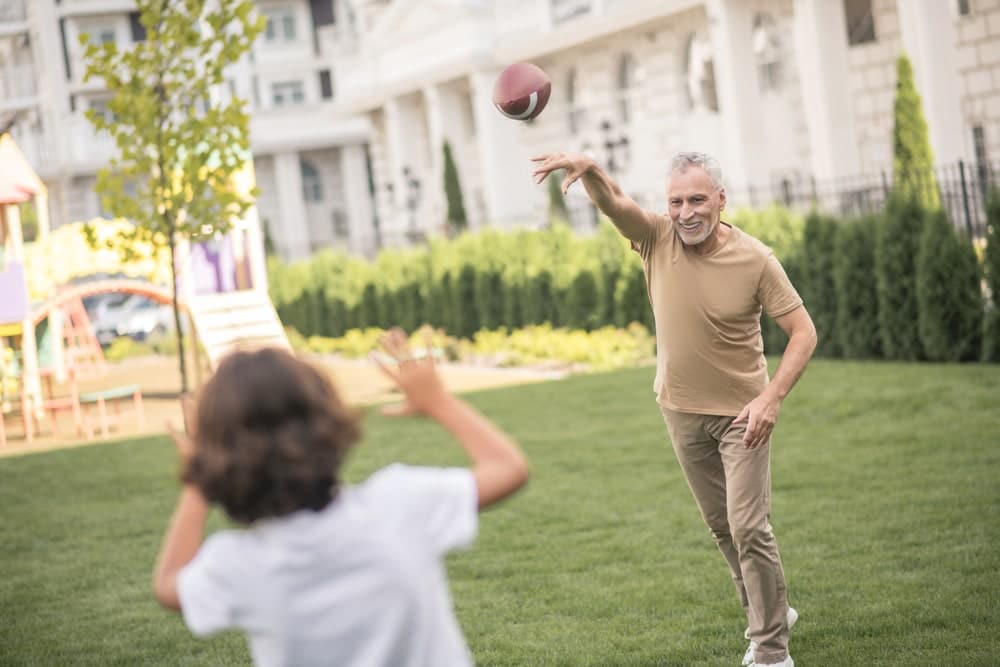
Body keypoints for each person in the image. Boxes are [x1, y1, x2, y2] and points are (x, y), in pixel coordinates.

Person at [531, 151, 817, 667]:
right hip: (680, 409)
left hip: (742, 415)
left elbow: (803, 333)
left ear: (721, 201)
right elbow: (616, 203)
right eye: (676, 201)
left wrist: (770, 398)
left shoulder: (756, 259)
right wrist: (592, 171)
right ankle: (771, 611)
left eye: (697, 200)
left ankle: (772, 650)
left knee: (749, 526)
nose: (685, 211)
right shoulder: (657, 238)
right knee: (723, 528)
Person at [151, 330, 530, 667]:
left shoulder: (238, 565)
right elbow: (507, 468)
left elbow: (168, 583)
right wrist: (437, 401)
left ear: (219, 461)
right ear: (331, 419)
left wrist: (200, 479)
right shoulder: (399, 506)